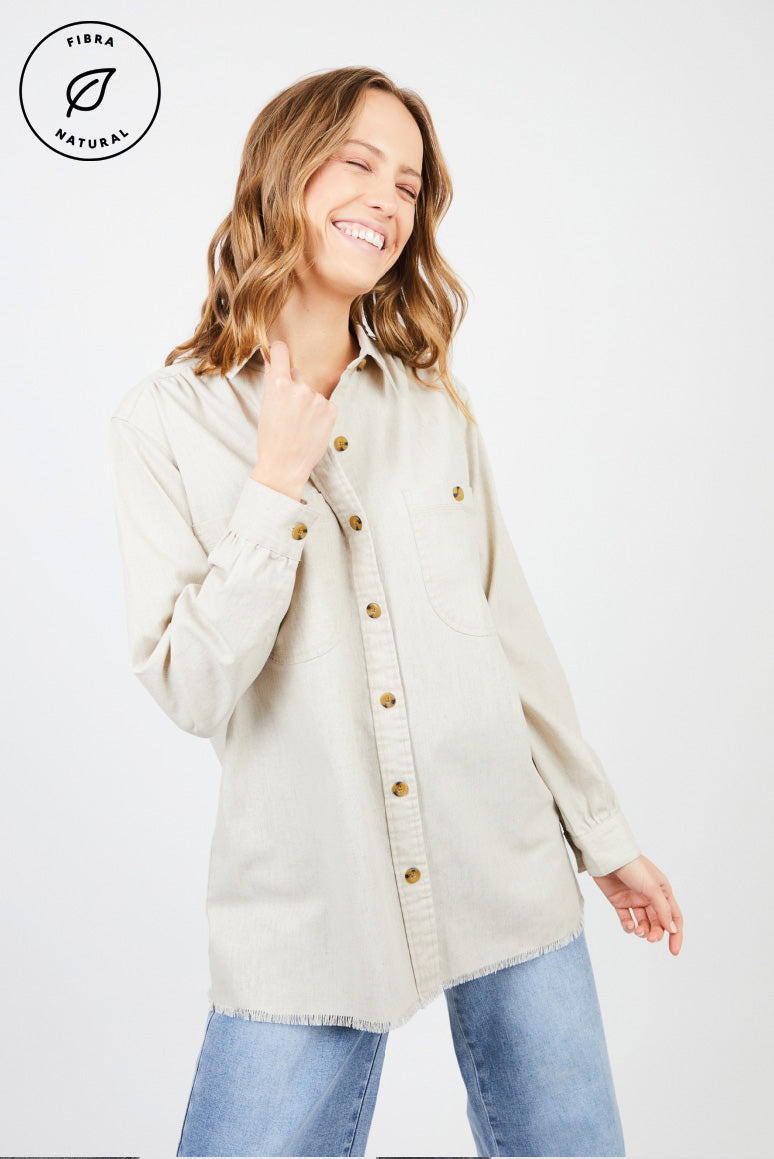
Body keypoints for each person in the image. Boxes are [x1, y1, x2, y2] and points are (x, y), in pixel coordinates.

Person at [108, 65, 684, 1158]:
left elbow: (512, 640)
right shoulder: (164, 423)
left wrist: (601, 835)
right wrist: (275, 483)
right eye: (359, 162)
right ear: (283, 172)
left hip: (507, 864)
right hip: (309, 906)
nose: (387, 197)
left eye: (410, 185)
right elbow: (189, 685)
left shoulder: (432, 409)